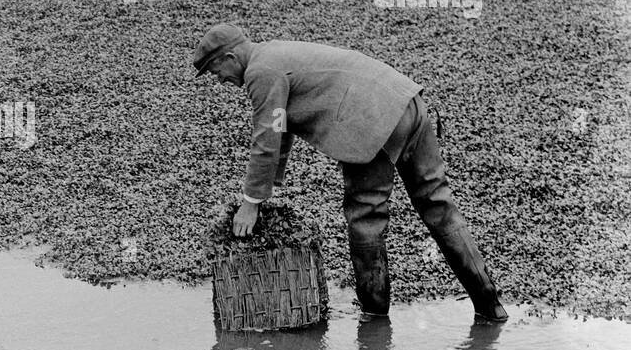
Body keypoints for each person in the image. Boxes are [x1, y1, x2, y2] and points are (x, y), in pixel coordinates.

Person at [193, 23, 507, 322]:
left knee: (365, 217)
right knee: (437, 205)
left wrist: (251, 202)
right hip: (408, 103)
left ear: (230, 57)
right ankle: (490, 307)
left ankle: (374, 317)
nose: (219, 79)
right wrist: (271, 183)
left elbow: (265, 136)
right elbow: (280, 126)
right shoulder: (274, 54)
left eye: (215, 71)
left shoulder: (261, 72)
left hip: (371, 120)